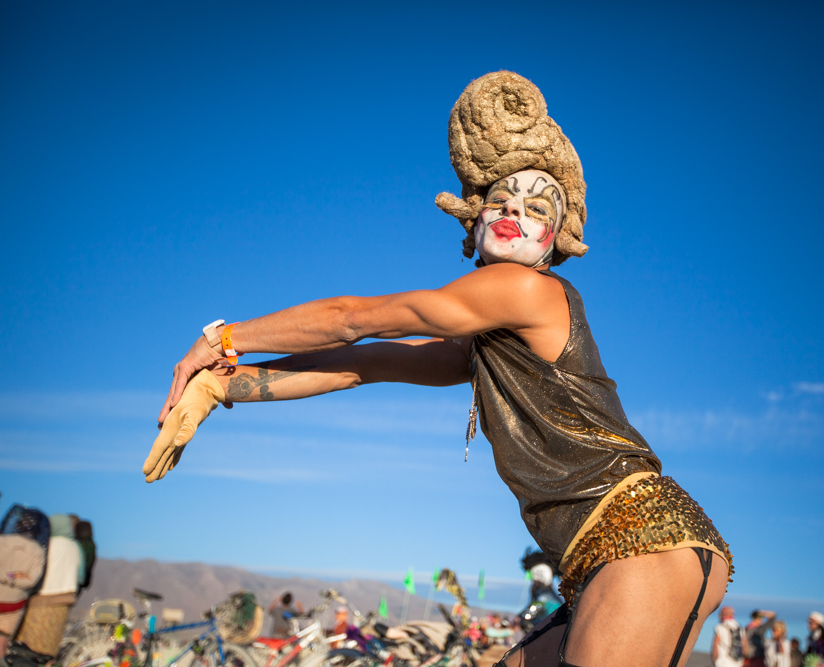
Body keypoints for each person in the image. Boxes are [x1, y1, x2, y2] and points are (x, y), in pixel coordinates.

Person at [144, 70, 733, 667]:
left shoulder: (527, 291)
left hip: (640, 541)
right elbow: (360, 365)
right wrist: (223, 385)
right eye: (501, 201)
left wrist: (221, 340)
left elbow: (356, 319)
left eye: (535, 208)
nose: (514, 213)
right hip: (610, 559)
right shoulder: (485, 348)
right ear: (473, 221)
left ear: (554, 240)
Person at [13, 514, 82, 659]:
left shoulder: (47, 544)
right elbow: (80, 576)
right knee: (50, 645)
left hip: (42, 601)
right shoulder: (75, 547)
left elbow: (36, 572)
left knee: (30, 646)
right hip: (65, 601)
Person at [0, 506, 49, 658]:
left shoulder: (2, 542)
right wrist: (15, 577)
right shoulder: (39, 552)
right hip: (14, 604)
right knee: (2, 643)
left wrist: (5, 576)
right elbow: (32, 581)